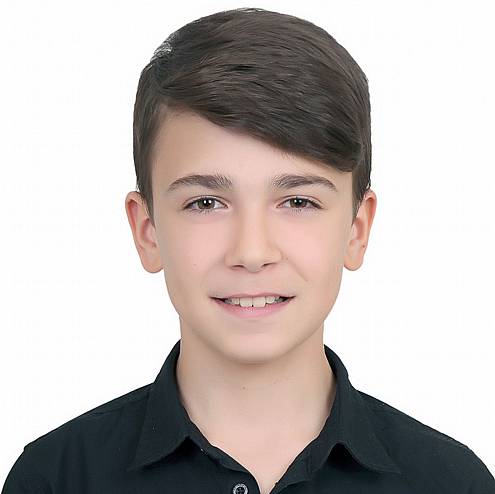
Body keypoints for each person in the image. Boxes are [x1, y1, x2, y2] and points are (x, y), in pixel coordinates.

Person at [2, 7, 494, 494]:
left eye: (298, 202)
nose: (252, 252)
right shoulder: (56, 479)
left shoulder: (453, 484)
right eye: (206, 203)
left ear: (356, 229)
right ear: (147, 230)